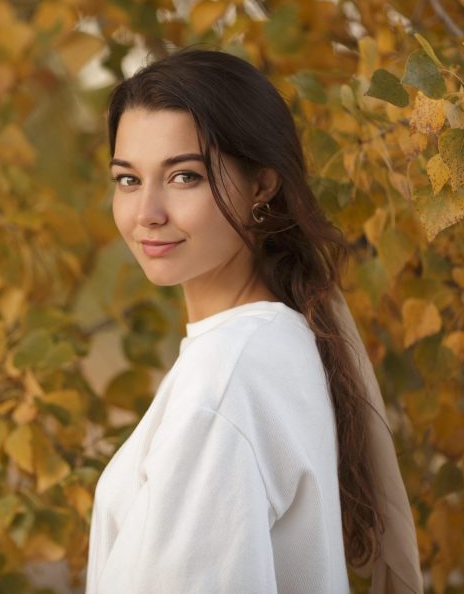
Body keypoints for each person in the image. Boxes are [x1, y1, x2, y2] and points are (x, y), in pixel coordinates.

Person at [85, 47, 423, 593]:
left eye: (184, 177)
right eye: (128, 180)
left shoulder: (228, 377)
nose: (146, 213)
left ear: (262, 185)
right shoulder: (274, 342)